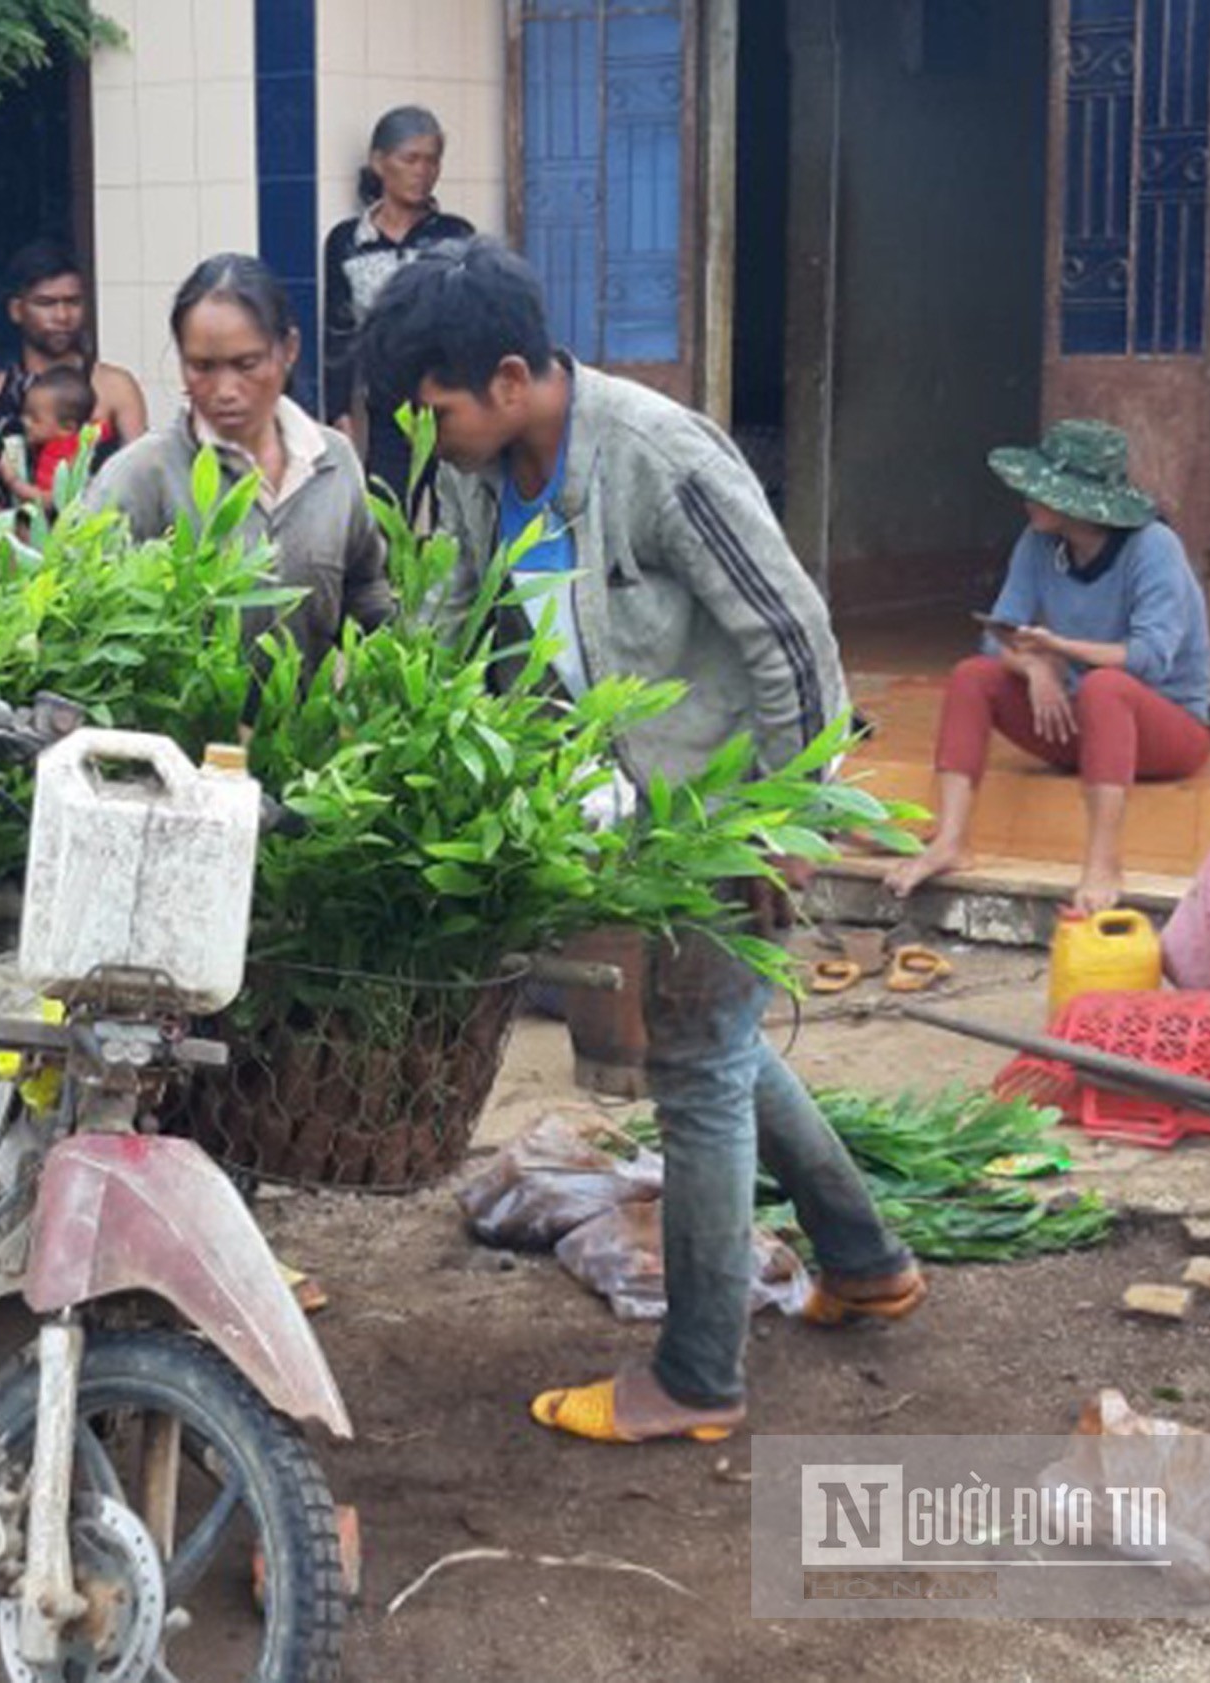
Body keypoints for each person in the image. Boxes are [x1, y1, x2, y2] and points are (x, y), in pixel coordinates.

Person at [363, 238, 921, 1444]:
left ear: (510, 376)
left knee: (700, 1060)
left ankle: (698, 1375)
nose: (429, 432)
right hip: (628, 806)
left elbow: (788, 634)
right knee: (713, 1039)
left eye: (437, 407)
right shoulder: (470, 475)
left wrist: (788, 816)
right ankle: (868, 1260)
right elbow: (451, 627)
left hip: (729, 798)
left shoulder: (654, 456)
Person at [884, 420, 1210, 915]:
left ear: (1079, 501)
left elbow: (1148, 660)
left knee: (1106, 687)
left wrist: (1058, 646)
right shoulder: (1038, 543)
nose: (1027, 497)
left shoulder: (1153, 548)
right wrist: (1035, 668)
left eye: (1042, 489)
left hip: (1171, 729)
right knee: (972, 675)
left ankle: (1103, 864)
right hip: (1081, 723)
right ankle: (950, 840)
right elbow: (996, 634)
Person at [79, 253, 391, 664]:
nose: (225, 389)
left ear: (289, 350)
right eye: (202, 367)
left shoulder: (331, 461)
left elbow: (367, 596)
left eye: (246, 364)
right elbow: (89, 621)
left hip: (306, 725)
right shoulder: (143, 475)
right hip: (182, 730)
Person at [321, 106, 475, 505]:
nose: (423, 171)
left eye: (432, 160)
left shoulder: (455, 236)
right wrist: (340, 413)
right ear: (379, 162)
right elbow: (339, 334)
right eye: (411, 159)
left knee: (455, 525)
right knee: (385, 519)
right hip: (388, 409)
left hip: (452, 406)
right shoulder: (348, 242)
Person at [0, 241, 148, 514]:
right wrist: (18, 540)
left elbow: (140, 485)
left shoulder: (116, 387)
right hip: (9, 550)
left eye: (73, 302)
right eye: (46, 303)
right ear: (16, 310)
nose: (62, 316)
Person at [0, 364, 98, 507]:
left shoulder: (71, 458)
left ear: (67, 429)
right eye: (25, 413)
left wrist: (12, 480)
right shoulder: (33, 448)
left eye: (35, 418)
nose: (24, 421)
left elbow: (50, 501)